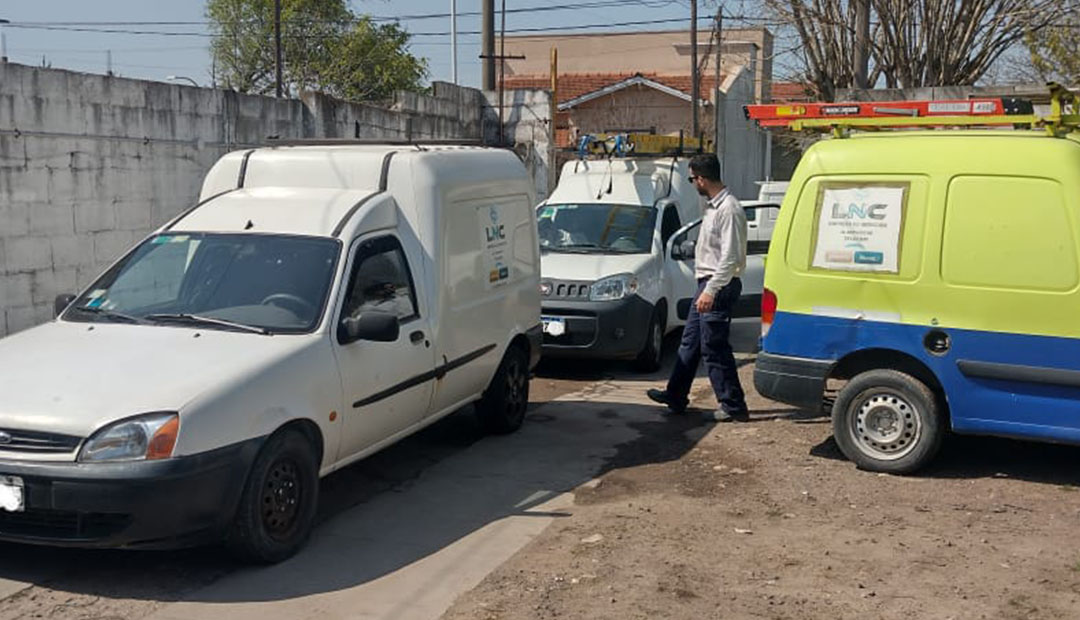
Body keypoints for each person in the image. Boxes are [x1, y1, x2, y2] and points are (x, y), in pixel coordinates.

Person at [647, 154, 750, 422]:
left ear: (702, 178)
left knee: (713, 347)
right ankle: (675, 395)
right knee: (690, 343)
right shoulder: (714, 207)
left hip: (718, 284)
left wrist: (711, 290)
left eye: (693, 179)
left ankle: (733, 405)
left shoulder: (729, 209)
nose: (693, 184)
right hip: (706, 283)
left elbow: (729, 257)